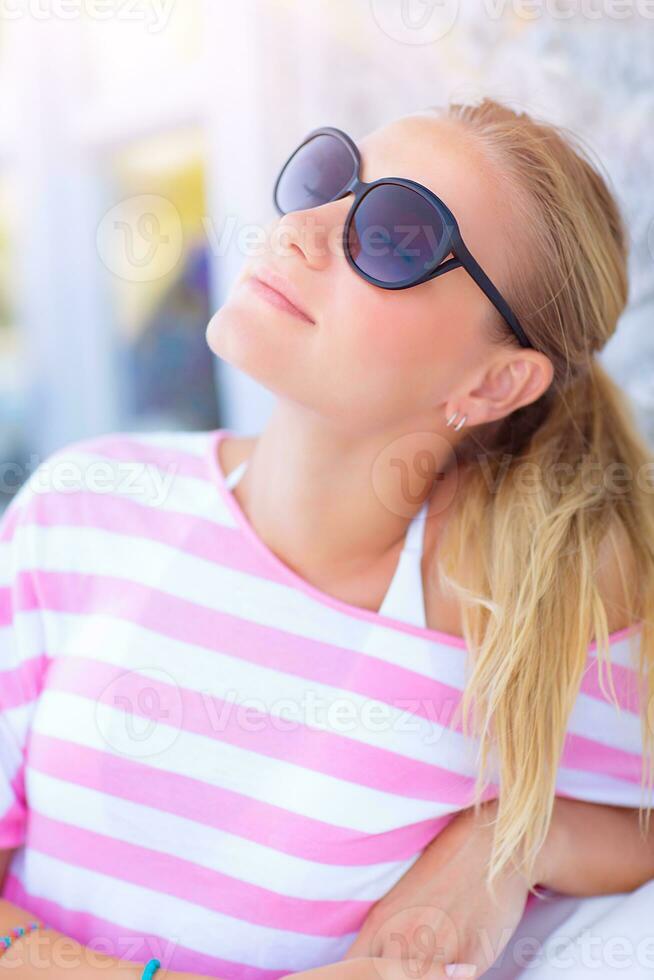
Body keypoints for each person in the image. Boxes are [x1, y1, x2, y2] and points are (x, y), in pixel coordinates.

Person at [0, 96, 652, 980]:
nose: (305, 229)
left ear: (495, 381)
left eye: (394, 235)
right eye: (329, 180)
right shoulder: (89, 507)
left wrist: (515, 838)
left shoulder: (534, 605)